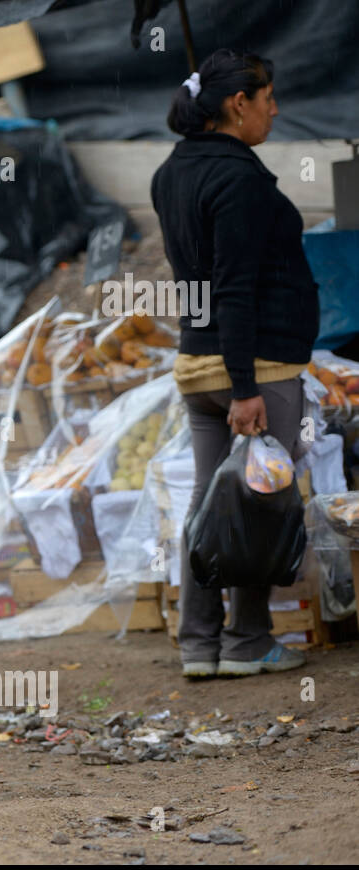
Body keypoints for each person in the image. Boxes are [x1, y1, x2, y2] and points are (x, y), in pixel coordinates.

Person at [151, 49, 319, 679]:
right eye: (268, 96)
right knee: (262, 496)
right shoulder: (240, 179)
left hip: (198, 366)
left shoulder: (171, 172)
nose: (275, 108)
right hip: (254, 368)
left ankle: (199, 642)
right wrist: (247, 384)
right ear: (237, 104)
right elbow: (236, 286)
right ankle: (248, 641)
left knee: (209, 500)